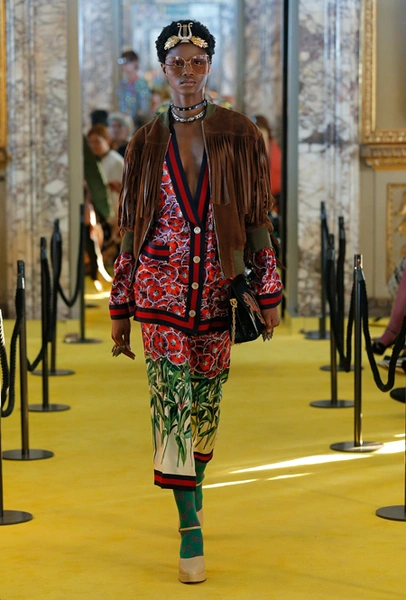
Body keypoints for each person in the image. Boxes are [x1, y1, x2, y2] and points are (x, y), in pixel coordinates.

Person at [109, 20, 282, 584]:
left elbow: (256, 216)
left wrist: (268, 289)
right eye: (177, 63)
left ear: (209, 66)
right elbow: (129, 226)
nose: (187, 72)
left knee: (205, 405)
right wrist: (120, 305)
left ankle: (195, 483)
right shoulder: (144, 141)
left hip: (217, 290)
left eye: (197, 62)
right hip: (158, 289)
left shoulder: (239, 132)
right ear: (163, 69)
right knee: (172, 404)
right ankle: (190, 527)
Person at [87, 124, 124, 262]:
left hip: (115, 216)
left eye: (97, 141)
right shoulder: (98, 162)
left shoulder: (116, 162)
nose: (93, 146)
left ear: (107, 141)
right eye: (90, 142)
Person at [116, 50, 151, 125]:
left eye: (127, 62)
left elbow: (144, 108)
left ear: (135, 62)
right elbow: (120, 105)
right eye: (122, 62)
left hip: (138, 123)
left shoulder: (141, 83)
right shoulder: (121, 84)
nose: (124, 65)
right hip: (123, 123)